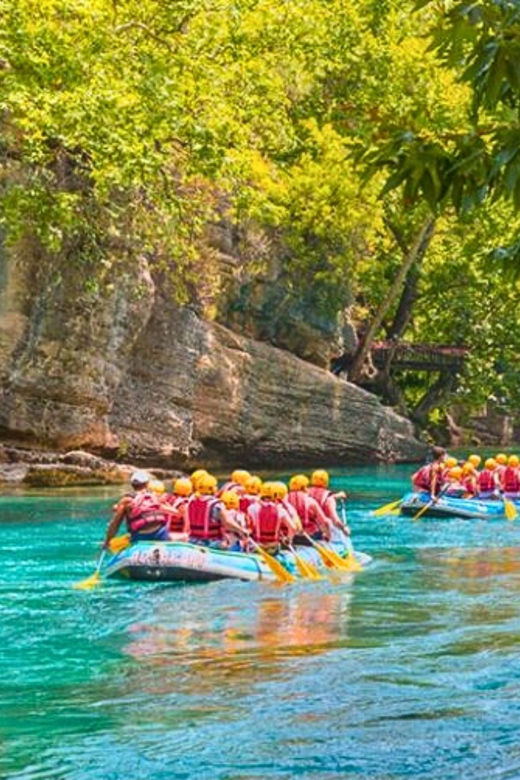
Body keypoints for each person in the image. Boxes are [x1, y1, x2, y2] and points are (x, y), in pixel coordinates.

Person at [103, 471, 170, 548]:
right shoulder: (154, 497)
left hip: (141, 536)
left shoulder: (126, 500)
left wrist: (107, 541)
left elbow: (115, 524)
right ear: (147, 484)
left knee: (119, 543)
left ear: (132, 485)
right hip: (161, 533)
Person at [186, 473, 245, 548]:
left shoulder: (191, 501)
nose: (216, 488)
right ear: (211, 488)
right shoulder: (216, 504)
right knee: (227, 544)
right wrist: (241, 530)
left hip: (193, 540)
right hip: (210, 542)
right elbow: (227, 523)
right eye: (215, 486)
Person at [246, 481, 300, 553]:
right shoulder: (280, 510)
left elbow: (248, 527)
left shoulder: (251, 508)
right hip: (273, 547)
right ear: (275, 495)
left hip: (256, 546)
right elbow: (293, 528)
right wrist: (288, 540)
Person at [286, 474, 332, 542]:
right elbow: (324, 521)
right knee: (328, 521)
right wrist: (327, 534)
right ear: (303, 487)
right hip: (308, 537)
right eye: (307, 486)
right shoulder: (310, 501)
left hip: (291, 537)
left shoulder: (285, 499)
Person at [307, 470, 350, 535]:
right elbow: (336, 521)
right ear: (326, 481)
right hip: (320, 533)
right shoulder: (329, 499)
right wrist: (344, 528)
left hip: (303, 530)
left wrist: (337, 496)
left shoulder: (305, 493)